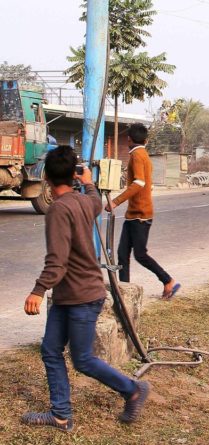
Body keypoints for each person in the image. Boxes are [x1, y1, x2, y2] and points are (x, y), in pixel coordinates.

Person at [23, 146, 150, 432]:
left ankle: (133, 389)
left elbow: (56, 262)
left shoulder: (58, 209)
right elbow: (95, 199)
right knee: (51, 350)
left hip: (81, 297)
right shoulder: (84, 201)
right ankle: (60, 415)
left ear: (46, 178)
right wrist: (90, 183)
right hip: (71, 296)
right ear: (73, 175)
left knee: (82, 359)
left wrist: (37, 290)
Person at [106, 123, 179, 299]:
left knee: (140, 255)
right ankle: (124, 293)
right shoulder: (142, 154)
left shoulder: (138, 155)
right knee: (122, 255)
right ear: (146, 140)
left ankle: (168, 280)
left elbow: (139, 183)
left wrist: (115, 201)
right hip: (133, 215)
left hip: (140, 215)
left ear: (129, 139)